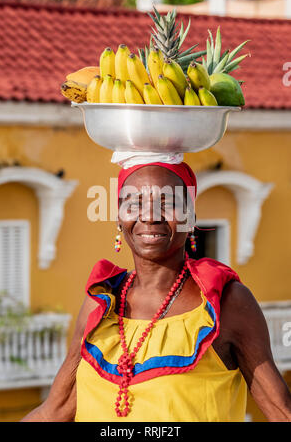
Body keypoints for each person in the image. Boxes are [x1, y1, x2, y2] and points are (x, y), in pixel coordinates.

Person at [21, 161, 291, 422]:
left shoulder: (226, 304)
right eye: (134, 203)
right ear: (118, 218)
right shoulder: (100, 304)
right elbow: (57, 410)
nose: (149, 216)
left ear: (191, 217)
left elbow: (281, 411)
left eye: (168, 203)